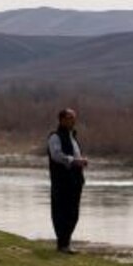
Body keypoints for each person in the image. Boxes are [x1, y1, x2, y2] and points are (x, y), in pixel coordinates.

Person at [47, 108, 88, 254]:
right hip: (61, 181)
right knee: (61, 212)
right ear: (62, 120)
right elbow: (56, 155)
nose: (73, 120)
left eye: (74, 117)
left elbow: (75, 156)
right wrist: (76, 161)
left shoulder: (73, 137)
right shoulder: (55, 137)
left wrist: (81, 162)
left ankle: (67, 243)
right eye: (70, 117)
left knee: (73, 213)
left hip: (75, 181)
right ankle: (62, 244)